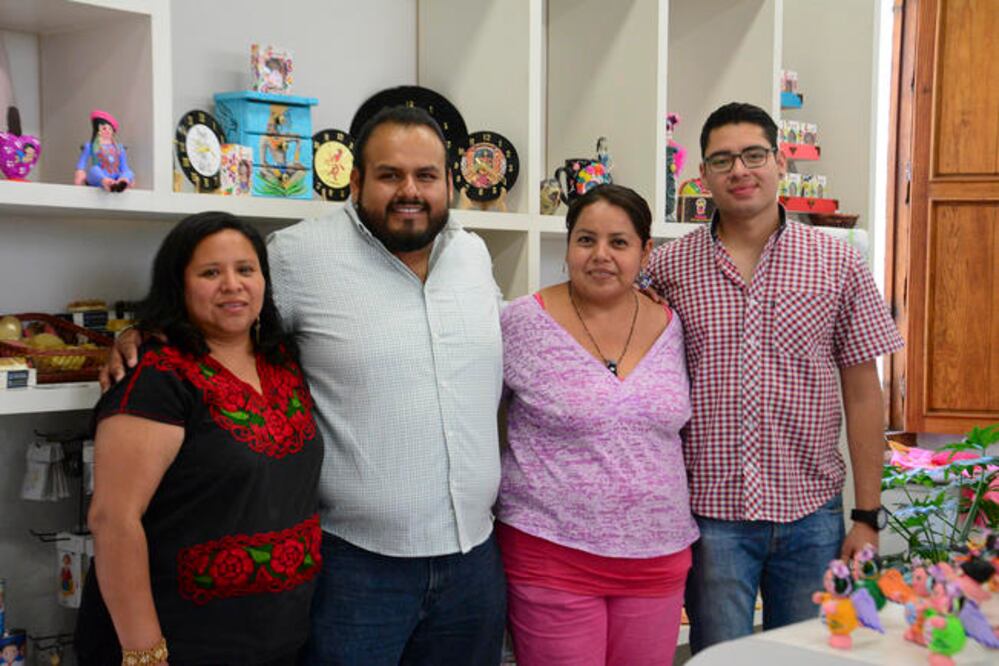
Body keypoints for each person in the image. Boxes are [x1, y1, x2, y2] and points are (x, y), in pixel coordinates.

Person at [104, 106, 507, 665]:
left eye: (426, 175)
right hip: (357, 570)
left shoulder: (473, 254)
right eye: (390, 175)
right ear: (356, 180)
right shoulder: (296, 256)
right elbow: (223, 308)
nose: (410, 191)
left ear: (449, 182)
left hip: (474, 564)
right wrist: (139, 333)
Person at [645, 101, 904, 653]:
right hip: (710, 516)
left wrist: (866, 515)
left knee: (806, 657)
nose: (739, 170)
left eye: (754, 155)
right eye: (722, 160)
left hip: (812, 514)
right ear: (703, 175)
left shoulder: (838, 263)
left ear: (780, 162)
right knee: (720, 658)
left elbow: (864, 393)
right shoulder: (668, 268)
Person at [77, 212, 323, 665]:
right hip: (180, 643)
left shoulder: (283, 360)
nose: (232, 285)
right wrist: (145, 653)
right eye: (211, 273)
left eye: (245, 269)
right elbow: (113, 520)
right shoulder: (156, 376)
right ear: (179, 286)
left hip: (279, 637)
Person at [497, 184, 698, 665]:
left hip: (658, 559)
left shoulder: (673, 325)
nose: (601, 255)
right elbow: (478, 421)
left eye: (619, 242)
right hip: (551, 555)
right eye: (586, 240)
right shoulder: (522, 322)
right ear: (568, 246)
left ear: (645, 252)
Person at [74, 109, 134, 192]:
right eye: (104, 128)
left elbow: (124, 167)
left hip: (116, 178)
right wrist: (80, 172)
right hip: (98, 177)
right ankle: (107, 182)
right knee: (94, 170)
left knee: (129, 172)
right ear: (98, 131)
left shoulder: (119, 148)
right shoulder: (91, 146)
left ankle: (122, 182)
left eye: (110, 129)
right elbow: (82, 163)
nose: (107, 131)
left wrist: (127, 176)